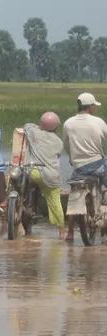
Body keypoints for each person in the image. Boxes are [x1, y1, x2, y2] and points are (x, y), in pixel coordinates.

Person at [63, 92, 107, 241]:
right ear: (91, 106)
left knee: (75, 196)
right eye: (94, 106)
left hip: (79, 167)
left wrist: (73, 159)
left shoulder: (68, 123)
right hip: (97, 165)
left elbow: (66, 145)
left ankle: (70, 233)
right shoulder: (98, 122)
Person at [24, 112, 65, 239]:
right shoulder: (59, 142)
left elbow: (26, 126)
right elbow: (57, 155)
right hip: (51, 176)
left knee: (15, 180)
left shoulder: (34, 133)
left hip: (33, 172)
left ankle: (14, 204)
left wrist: (38, 127)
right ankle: (62, 232)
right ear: (56, 126)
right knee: (55, 201)